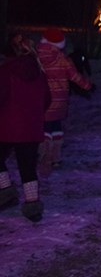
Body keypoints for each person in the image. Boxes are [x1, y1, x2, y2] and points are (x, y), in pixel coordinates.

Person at [0, 35, 52, 221]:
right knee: (28, 167)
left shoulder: (6, 72)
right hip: (31, 127)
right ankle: (33, 207)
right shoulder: (39, 73)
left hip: (7, 126)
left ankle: (6, 193)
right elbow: (47, 99)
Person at [35, 28, 92, 175]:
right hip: (60, 100)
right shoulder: (62, 59)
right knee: (56, 127)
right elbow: (74, 76)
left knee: (45, 127)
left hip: (43, 99)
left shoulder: (35, 57)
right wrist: (87, 85)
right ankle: (56, 157)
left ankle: (44, 155)